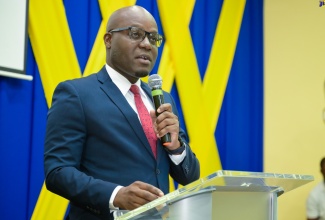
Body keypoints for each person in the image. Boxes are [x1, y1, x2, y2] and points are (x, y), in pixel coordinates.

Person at [43, 5, 200, 220]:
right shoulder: (76, 94)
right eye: (135, 34)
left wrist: (176, 148)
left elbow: (190, 176)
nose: (147, 44)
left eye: (153, 38)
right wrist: (116, 195)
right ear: (108, 40)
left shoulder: (163, 98)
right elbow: (58, 173)